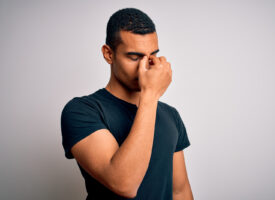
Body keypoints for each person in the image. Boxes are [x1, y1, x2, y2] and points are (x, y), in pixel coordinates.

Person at [60, 7, 193, 200]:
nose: (145, 66)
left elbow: (179, 191)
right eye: (134, 57)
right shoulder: (82, 110)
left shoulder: (170, 115)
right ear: (108, 54)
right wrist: (150, 95)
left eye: (152, 55)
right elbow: (124, 184)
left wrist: (150, 98)